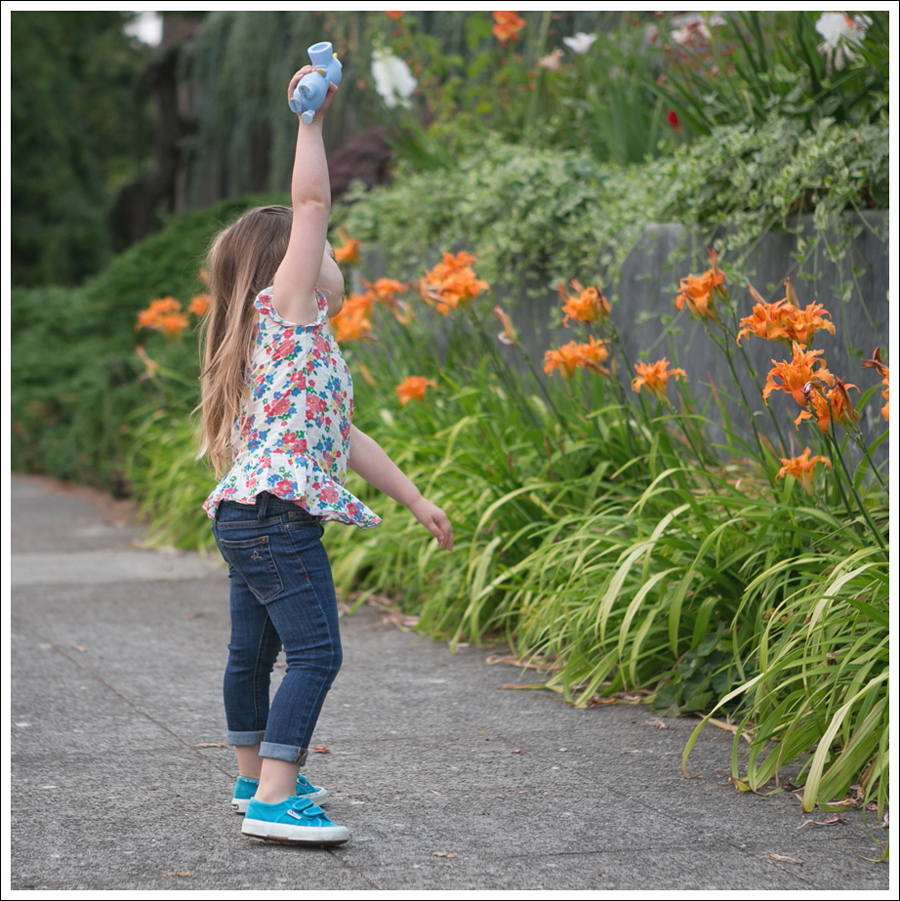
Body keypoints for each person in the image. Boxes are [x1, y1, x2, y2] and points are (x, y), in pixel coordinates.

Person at [195, 63, 453, 846]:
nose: (331, 255)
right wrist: (310, 120)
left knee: (254, 651)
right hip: (275, 520)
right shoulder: (289, 314)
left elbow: (346, 437)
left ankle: (253, 777)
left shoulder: (284, 353)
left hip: (246, 518)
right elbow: (309, 204)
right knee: (316, 651)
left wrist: (413, 497)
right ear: (292, 268)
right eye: (322, 250)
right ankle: (276, 801)